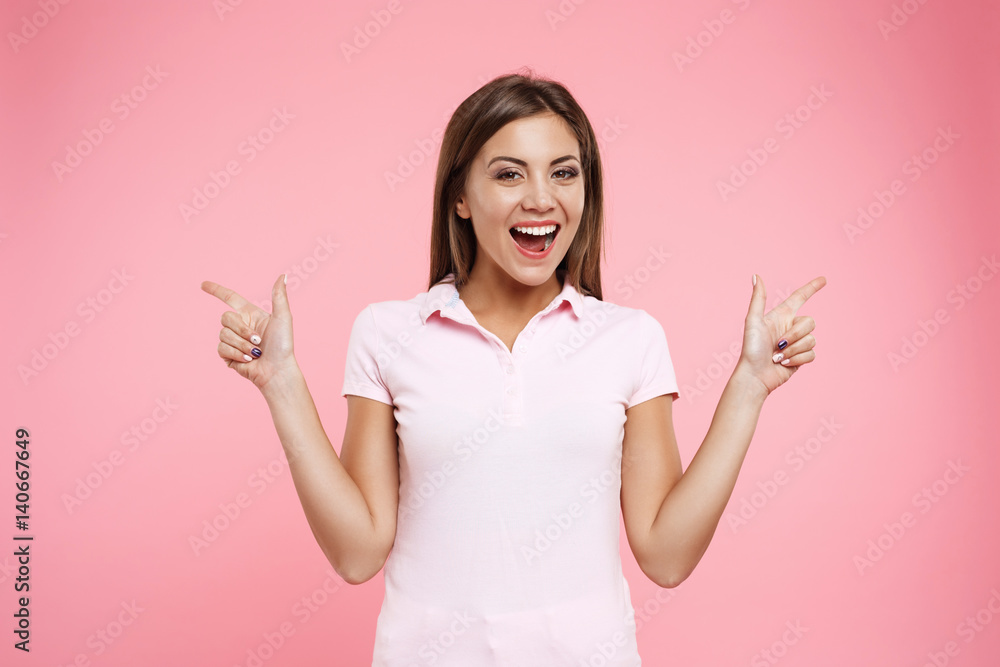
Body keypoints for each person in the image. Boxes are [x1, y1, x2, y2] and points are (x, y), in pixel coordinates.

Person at [201, 70, 826, 666]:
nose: (540, 198)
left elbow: (666, 556)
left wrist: (749, 387)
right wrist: (280, 381)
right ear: (461, 199)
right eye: (508, 174)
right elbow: (358, 551)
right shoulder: (388, 333)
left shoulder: (629, 339)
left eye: (563, 173)